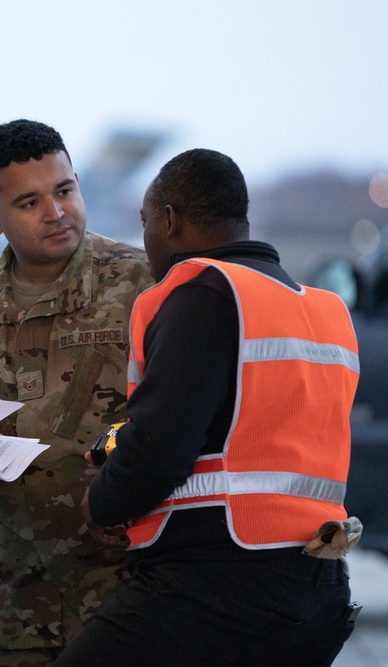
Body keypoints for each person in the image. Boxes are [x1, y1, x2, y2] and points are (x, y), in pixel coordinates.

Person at [54, 148, 361, 667]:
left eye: (146, 221)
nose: (145, 238)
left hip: (218, 585)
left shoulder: (205, 291)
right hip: (316, 582)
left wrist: (103, 501)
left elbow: (159, 446)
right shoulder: (324, 311)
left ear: (169, 221)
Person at [0, 119, 153, 666]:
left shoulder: (142, 285)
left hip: (129, 598)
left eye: (65, 190)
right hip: (12, 605)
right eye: (29, 203)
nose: (56, 212)